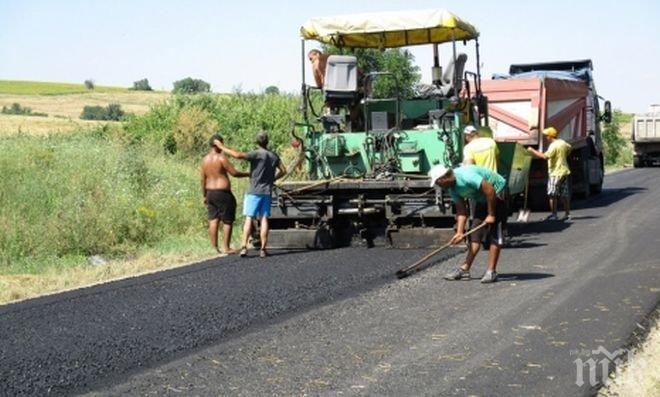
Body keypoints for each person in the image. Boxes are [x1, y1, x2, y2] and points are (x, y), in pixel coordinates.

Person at [429, 164, 507, 283]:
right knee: (475, 233)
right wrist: (460, 232)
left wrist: (491, 214)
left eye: (438, 182)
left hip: (498, 192)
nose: (438, 185)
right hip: (482, 199)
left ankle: (491, 271)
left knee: (495, 234)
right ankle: (465, 269)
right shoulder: (451, 188)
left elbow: (490, 190)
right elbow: (461, 211)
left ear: (444, 178)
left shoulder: (466, 176)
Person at [213, 132, 287, 258]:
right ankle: (263, 249)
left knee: (249, 218)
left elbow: (237, 155)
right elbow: (284, 170)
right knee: (264, 218)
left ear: (257, 142)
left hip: (253, 191)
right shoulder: (273, 156)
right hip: (266, 192)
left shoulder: (256, 154)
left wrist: (222, 147)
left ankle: (243, 247)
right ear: (267, 142)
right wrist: (272, 179)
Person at [201, 134, 249, 255]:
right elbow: (234, 173)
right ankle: (226, 247)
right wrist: (248, 174)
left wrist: (204, 195)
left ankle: (214, 247)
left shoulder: (204, 160)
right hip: (223, 193)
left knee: (213, 219)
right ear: (218, 144)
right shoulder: (221, 158)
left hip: (210, 192)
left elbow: (203, 179)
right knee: (227, 220)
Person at [526, 126, 572, 221]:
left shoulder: (553, 146)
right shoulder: (562, 142)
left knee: (552, 194)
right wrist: (564, 156)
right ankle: (567, 214)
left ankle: (554, 215)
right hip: (564, 171)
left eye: (546, 136)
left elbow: (545, 157)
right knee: (564, 194)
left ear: (550, 136)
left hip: (556, 173)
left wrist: (532, 151)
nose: (546, 137)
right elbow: (570, 148)